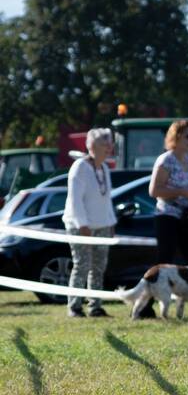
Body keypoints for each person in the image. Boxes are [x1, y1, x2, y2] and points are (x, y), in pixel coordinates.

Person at [145, 119, 188, 318]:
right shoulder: (166, 160)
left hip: (185, 218)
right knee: (163, 261)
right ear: (175, 137)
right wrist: (183, 192)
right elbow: (154, 190)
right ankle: (144, 306)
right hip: (167, 216)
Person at [62, 128, 117, 318]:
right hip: (80, 226)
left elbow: (107, 198)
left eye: (110, 143)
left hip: (102, 225)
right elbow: (75, 200)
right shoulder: (80, 167)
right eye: (104, 143)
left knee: (99, 267)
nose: (109, 147)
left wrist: (111, 222)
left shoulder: (105, 168)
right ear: (92, 146)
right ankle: (74, 306)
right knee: (81, 266)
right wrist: (82, 225)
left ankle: (95, 306)